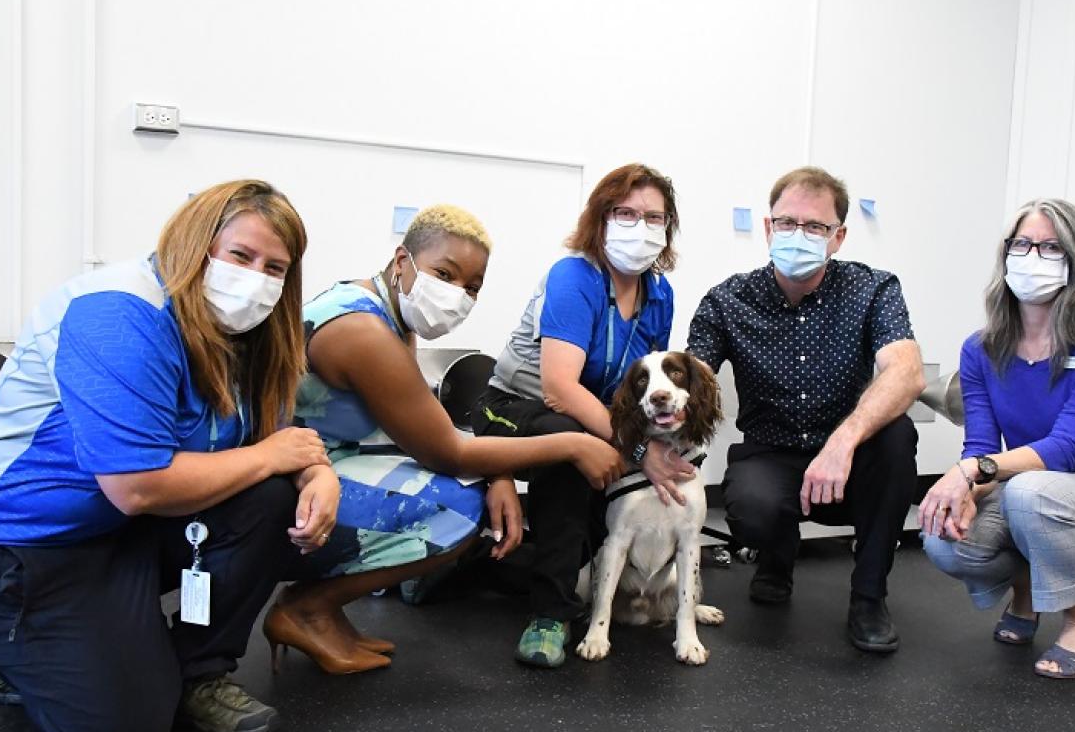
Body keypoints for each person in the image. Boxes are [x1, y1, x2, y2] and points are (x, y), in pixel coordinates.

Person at [0, 180, 339, 732]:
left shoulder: (247, 333)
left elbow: (280, 440)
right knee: (122, 731)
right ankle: (14, 653)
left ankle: (200, 674)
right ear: (195, 244)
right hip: (16, 553)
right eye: (241, 256)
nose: (257, 280)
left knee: (268, 498)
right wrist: (277, 457)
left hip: (114, 535)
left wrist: (316, 474)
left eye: (276, 267)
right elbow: (138, 486)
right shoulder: (119, 314)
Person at [264, 205, 624, 674]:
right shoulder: (363, 332)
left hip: (322, 460)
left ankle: (323, 609)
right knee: (458, 508)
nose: (457, 295)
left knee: (472, 484)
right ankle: (306, 608)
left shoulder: (385, 312)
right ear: (402, 261)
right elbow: (448, 451)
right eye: (444, 274)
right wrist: (576, 445)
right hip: (287, 482)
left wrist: (497, 471)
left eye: (471, 287)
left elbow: (432, 427)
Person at [920, 198, 1075, 679]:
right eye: (1023, 244)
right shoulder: (981, 349)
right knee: (943, 537)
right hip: (1034, 500)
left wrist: (969, 473)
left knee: (1033, 490)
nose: (1033, 257)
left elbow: (1065, 449)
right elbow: (982, 447)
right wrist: (967, 490)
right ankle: (1027, 590)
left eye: (1051, 247)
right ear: (1006, 253)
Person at [687, 166, 924, 653]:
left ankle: (869, 596)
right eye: (788, 223)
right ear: (768, 228)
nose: (800, 235)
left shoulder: (872, 289)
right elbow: (690, 381)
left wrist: (844, 440)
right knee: (752, 506)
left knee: (899, 437)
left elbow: (906, 373)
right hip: (771, 451)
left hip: (849, 455)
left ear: (838, 237)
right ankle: (776, 557)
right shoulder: (727, 300)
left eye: (815, 227)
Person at [473, 163, 689, 668]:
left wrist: (655, 447)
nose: (640, 227)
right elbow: (559, 388)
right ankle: (550, 616)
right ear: (600, 218)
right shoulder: (575, 276)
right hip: (511, 410)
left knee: (590, 531)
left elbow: (643, 385)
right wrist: (637, 450)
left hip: (587, 419)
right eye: (625, 213)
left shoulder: (661, 295)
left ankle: (466, 569)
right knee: (577, 450)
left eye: (654, 218)